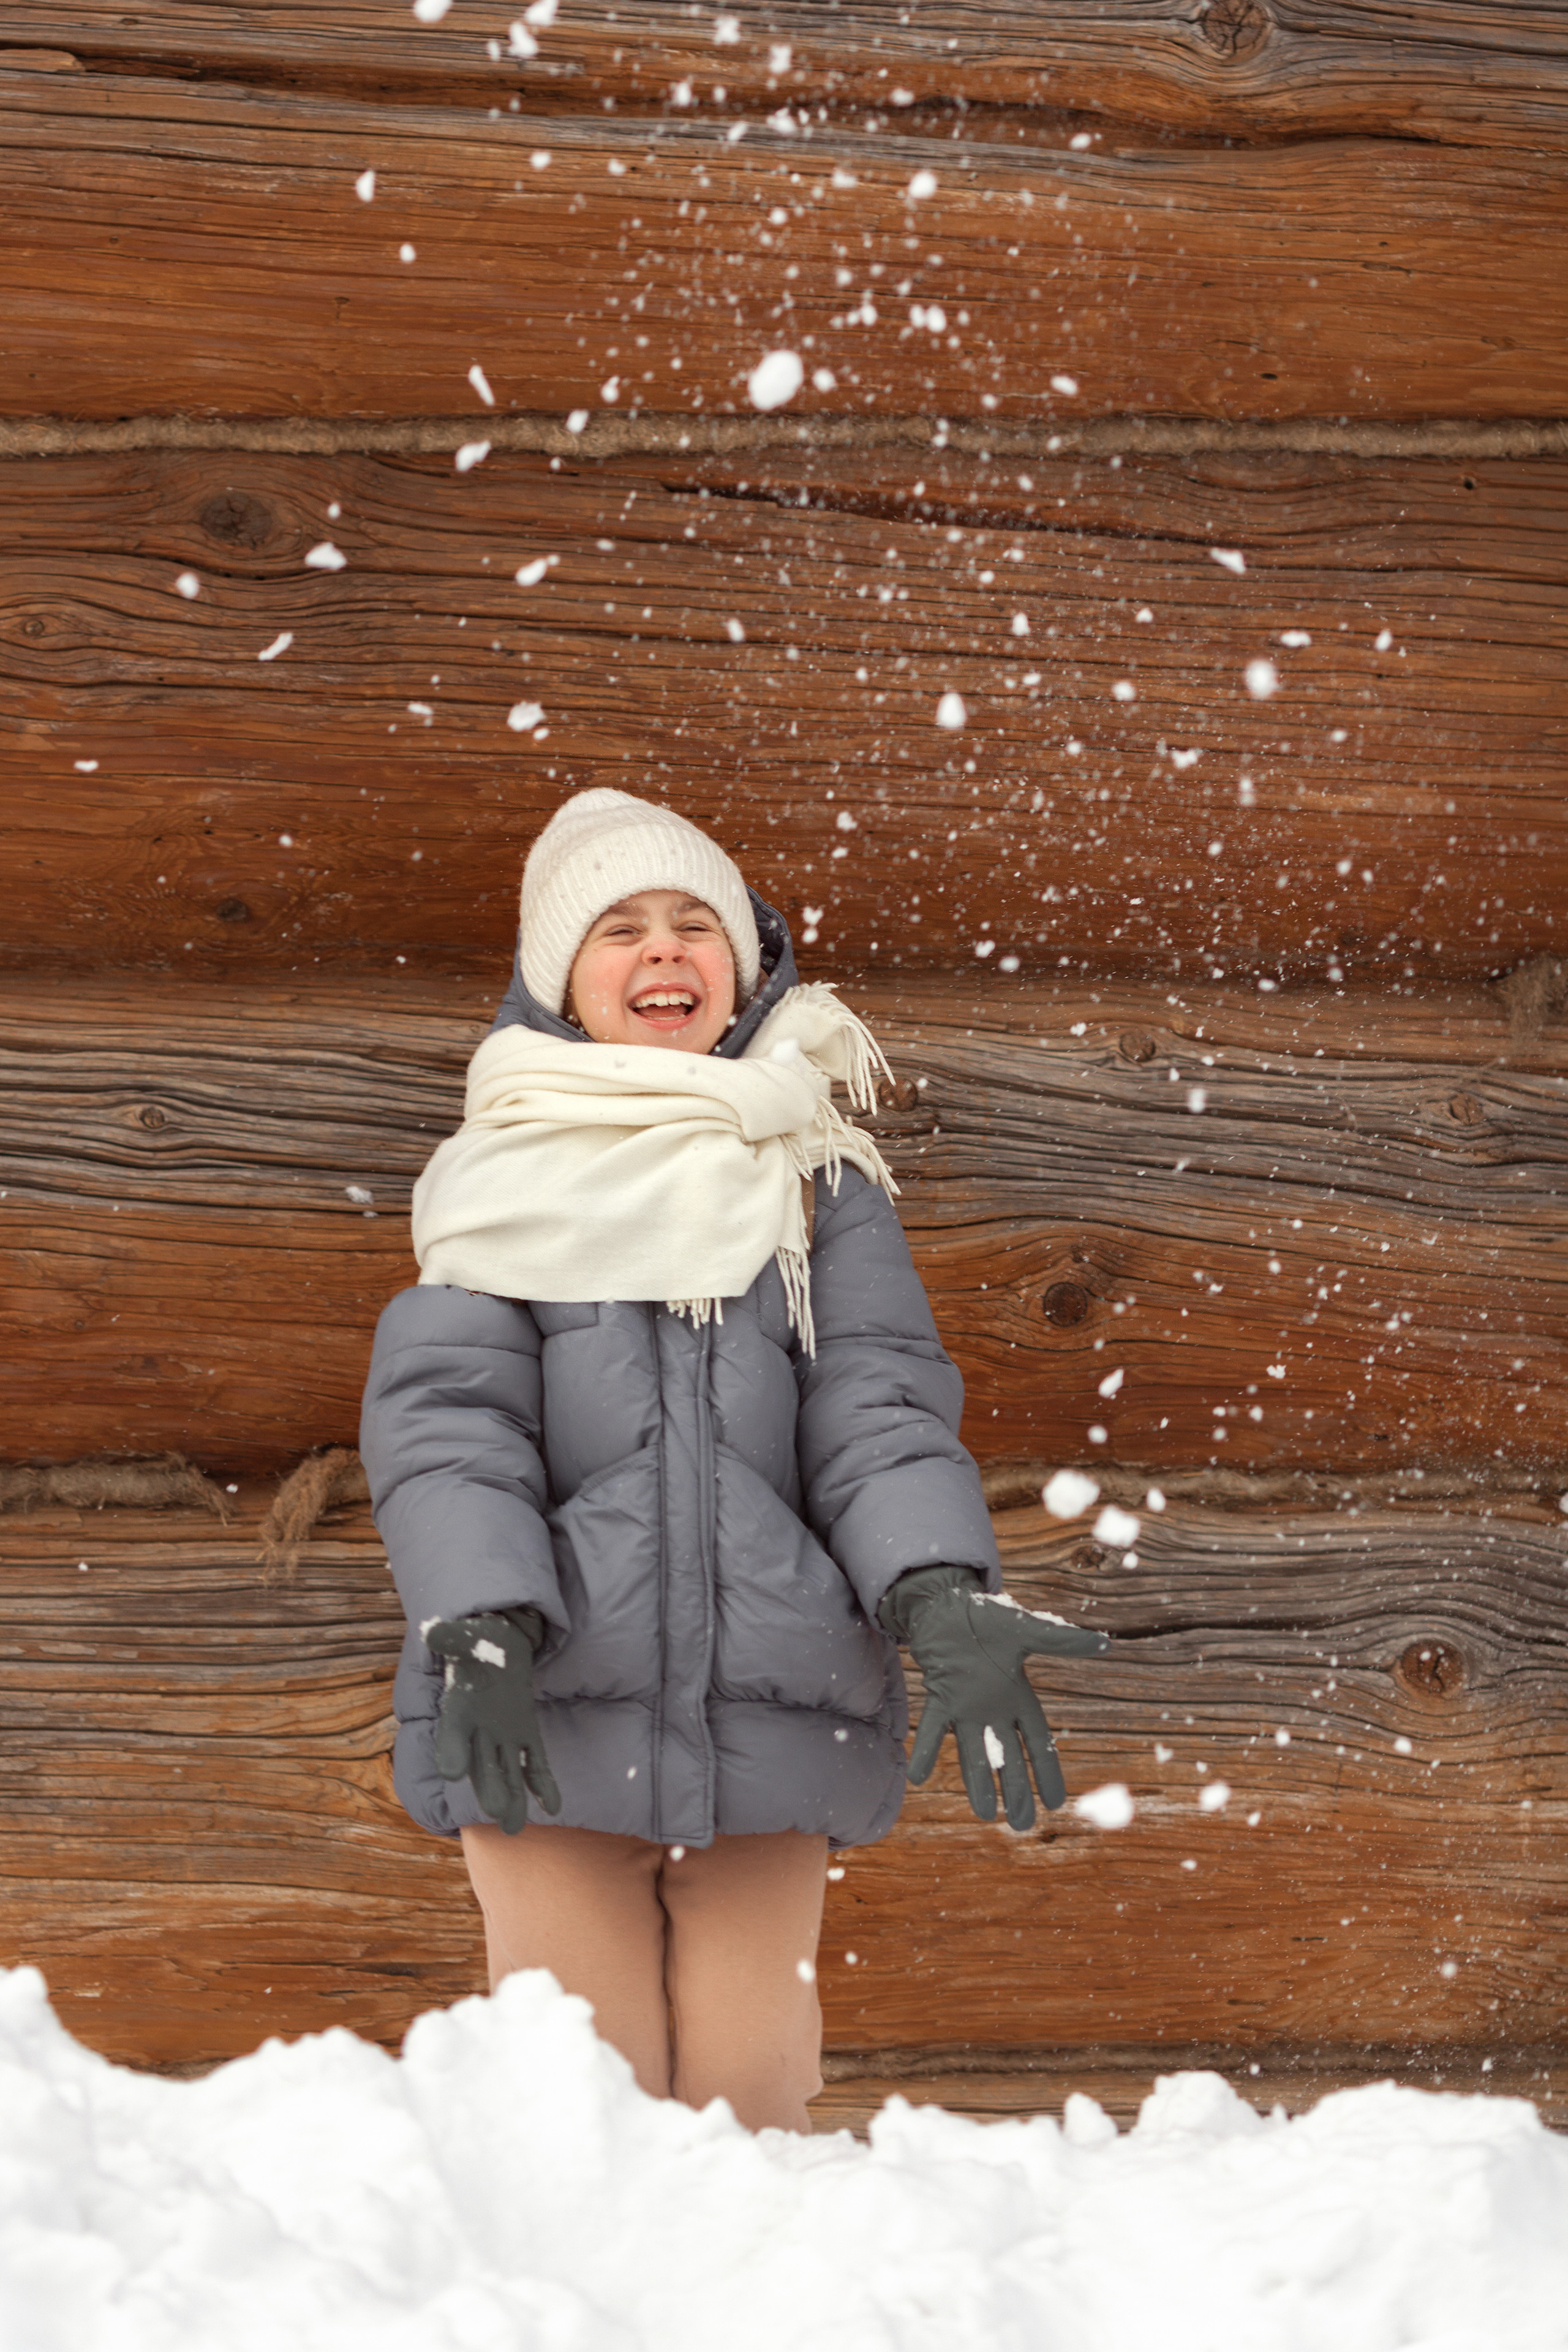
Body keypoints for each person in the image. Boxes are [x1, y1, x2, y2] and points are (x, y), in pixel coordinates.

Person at [360, 788, 1106, 2133]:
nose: (661, 952)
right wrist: (477, 1618)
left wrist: (935, 1586)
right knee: (584, 2109)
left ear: (742, 968)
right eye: (619, 931)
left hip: (773, 1715)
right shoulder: (499, 1170)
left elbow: (873, 1409)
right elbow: (448, 1422)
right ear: (561, 983)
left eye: (692, 924)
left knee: (748, 2108)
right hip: (546, 1713)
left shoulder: (812, 1180)